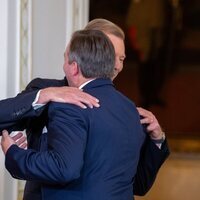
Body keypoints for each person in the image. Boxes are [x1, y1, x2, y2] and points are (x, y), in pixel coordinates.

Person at [0, 18, 169, 198]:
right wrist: (45, 95)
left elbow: (139, 184)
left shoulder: (125, 109)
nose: (116, 66)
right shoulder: (44, 91)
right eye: (109, 53)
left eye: (121, 58)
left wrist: (157, 139)